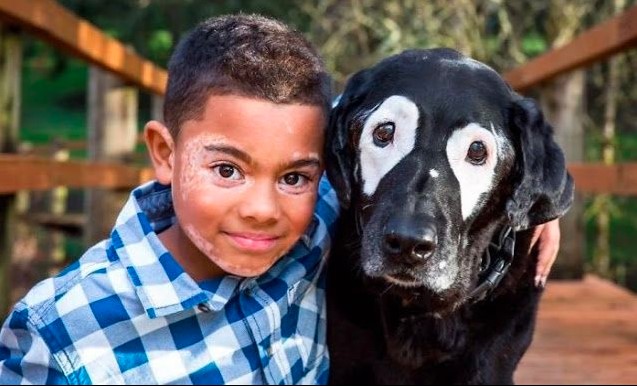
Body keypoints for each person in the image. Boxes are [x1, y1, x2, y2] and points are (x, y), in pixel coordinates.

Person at [0, 13, 562, 385]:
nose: (263, 208)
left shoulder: (308, 229)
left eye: (295, 176)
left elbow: (385, 119)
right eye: (226, 169)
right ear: (165, 154)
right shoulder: (61, 331)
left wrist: (528, 201)